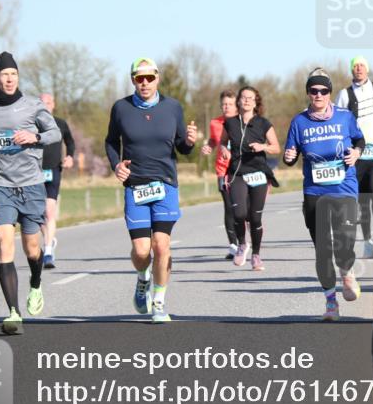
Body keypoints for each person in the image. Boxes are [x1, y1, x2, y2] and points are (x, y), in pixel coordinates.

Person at [0, 52, 62, 334]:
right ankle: (13, 312)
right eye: (4, 74)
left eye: (13, 74)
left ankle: (35, 284)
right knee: (3, 243)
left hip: (31, 184)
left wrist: (35, 137)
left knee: (32, 248)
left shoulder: (33, 106)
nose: (9, 79)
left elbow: (55, 133)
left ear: (18, 77)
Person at [104, 57, 197, 323]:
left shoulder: (172, 108)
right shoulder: (121, 108)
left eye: (149, 78)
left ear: (157, 78)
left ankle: (159, 301)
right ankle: (143, 277)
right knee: (142, 251)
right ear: (133, 80)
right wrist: (116, 165)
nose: (144, 83)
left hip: (165, 184)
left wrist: (189, 141)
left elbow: (182, 147)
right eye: (139, 78)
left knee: (161, 245)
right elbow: (111, 142)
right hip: (135, 186)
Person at [284, 69, 365, 321]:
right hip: (315, 191)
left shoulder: (345, 117)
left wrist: (357, 153)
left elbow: (360, 140)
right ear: (308, 93)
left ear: (330, 93)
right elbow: (291, 152)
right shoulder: (299, 122)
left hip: (344, 188)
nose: (318, 94)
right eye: (313, 90)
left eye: (323, 90)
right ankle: (331, 303)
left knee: (345, 242)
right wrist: (289, 157)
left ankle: (347, 269)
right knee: (322, 249)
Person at [335, 56, 373, 259]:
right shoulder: (344, 95)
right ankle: (367, 240)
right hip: (357, 152)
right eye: (355, 66)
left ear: (367, 69)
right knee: (361, 198)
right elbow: (339, 121)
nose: (359, 68)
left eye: (362, 65)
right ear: (351, 70)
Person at [219, 86, 280, 271]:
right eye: (243, 97)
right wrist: (223, 149)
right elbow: (222, 142)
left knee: (255, 218)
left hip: (259, 174)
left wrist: (263, 147)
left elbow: (276, 148)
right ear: (239, 101)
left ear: (256, 102)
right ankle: (242, 245)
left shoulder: (263, 123)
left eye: (250, 98)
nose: (246, 100)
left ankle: (256, 255)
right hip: (237, 173)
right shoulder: (230, 123)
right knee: (238, 213)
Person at [201, 90, 240, 260]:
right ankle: (233, 245)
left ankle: (245, 240)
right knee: (229, 207)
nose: (226, 107)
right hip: (222, 170)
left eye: (230, 104)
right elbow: (214, 140)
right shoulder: (215, 122)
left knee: (243, 208)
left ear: (236, 105)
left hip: (241, 170)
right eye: (224, 104)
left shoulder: (243, 120)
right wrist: (209, 146)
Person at [38, 93, 75, 269]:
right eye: (41, 103)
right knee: (38, 216)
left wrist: (70, 156)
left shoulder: (60, 123)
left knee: (49, 212)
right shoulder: (31, 125)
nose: (45, 106)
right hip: (33, 172)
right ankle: (49, 240)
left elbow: (71, 142)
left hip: (53, 170)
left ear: (53, 105)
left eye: (48, 103)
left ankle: (47, 252)